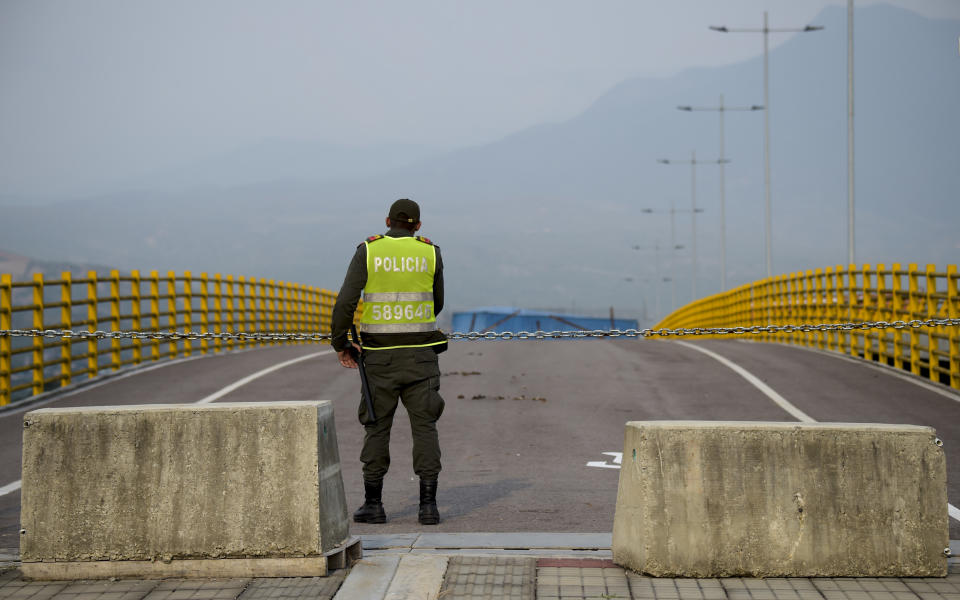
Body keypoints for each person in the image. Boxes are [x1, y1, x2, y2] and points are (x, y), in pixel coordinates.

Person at [330, 198, 447, 525]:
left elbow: (345, 303)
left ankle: (374, 504)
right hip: (421, 356)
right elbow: (436, 302)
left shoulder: (369, 250)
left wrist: (341, 343)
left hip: (378, 358)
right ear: (418, 226)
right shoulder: (430, 251)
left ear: (387, 221)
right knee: (425, 427)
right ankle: (428, 507)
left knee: (377, 427)